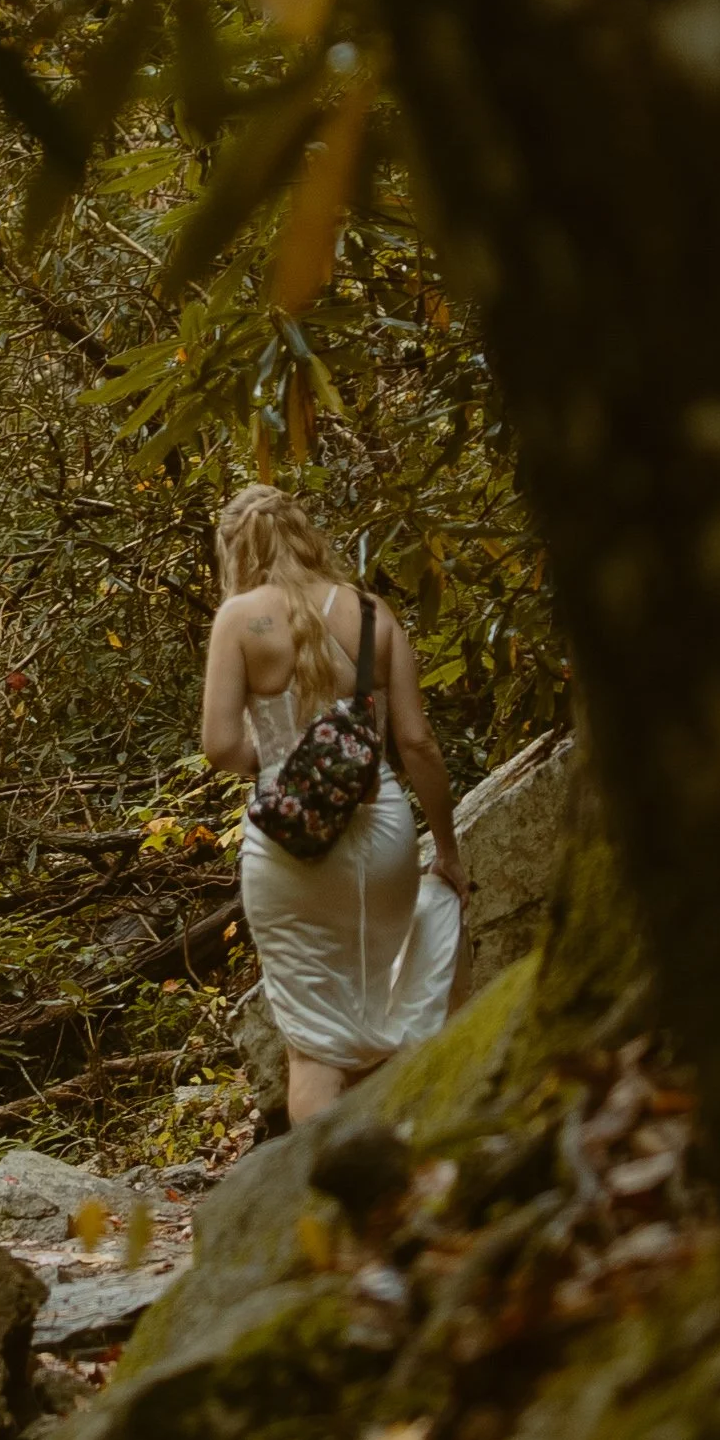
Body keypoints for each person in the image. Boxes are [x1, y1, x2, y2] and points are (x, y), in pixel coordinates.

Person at [200, 481, 470, 1128]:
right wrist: (450, 855)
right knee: (391, 980)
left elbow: (218, 745)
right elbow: (417, 744)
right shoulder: (370, 613)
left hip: (287, 848)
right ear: (303, 535)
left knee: (312, 1045)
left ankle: (322, 1209)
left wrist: (287, 768)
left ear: (237, 551)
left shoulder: (240, 618)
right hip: (381, 833)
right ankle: (421, 1152)